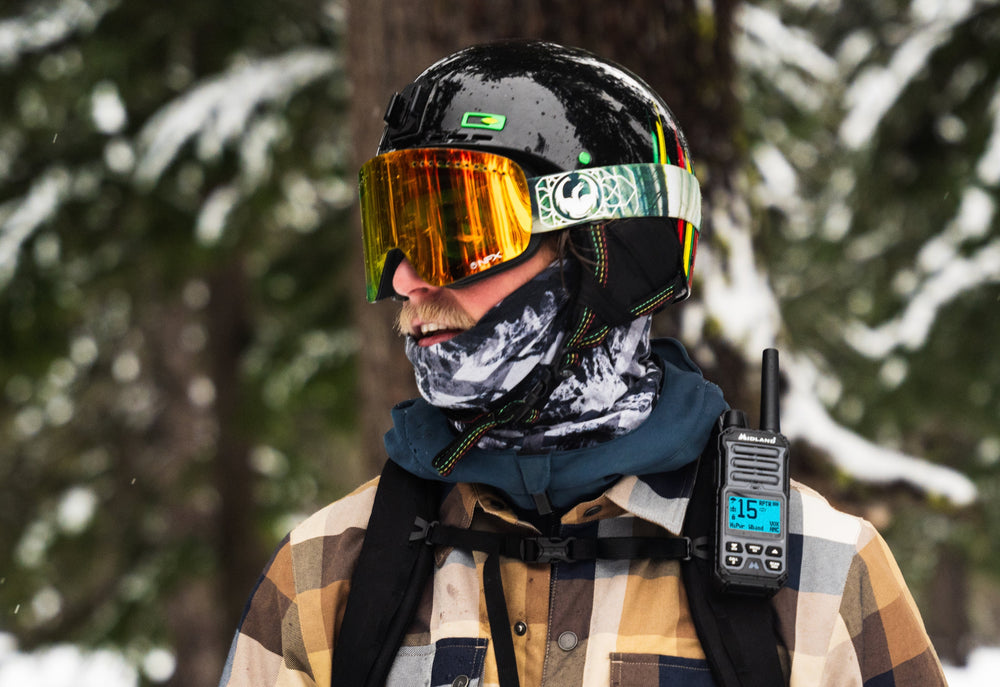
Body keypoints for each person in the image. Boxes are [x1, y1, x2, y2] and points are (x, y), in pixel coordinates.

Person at [218, 40, 947, 687]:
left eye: (457, 234)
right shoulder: (328, 573)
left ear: (602, 251)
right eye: (398, 234)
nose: (408, 279)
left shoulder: (816, 573)